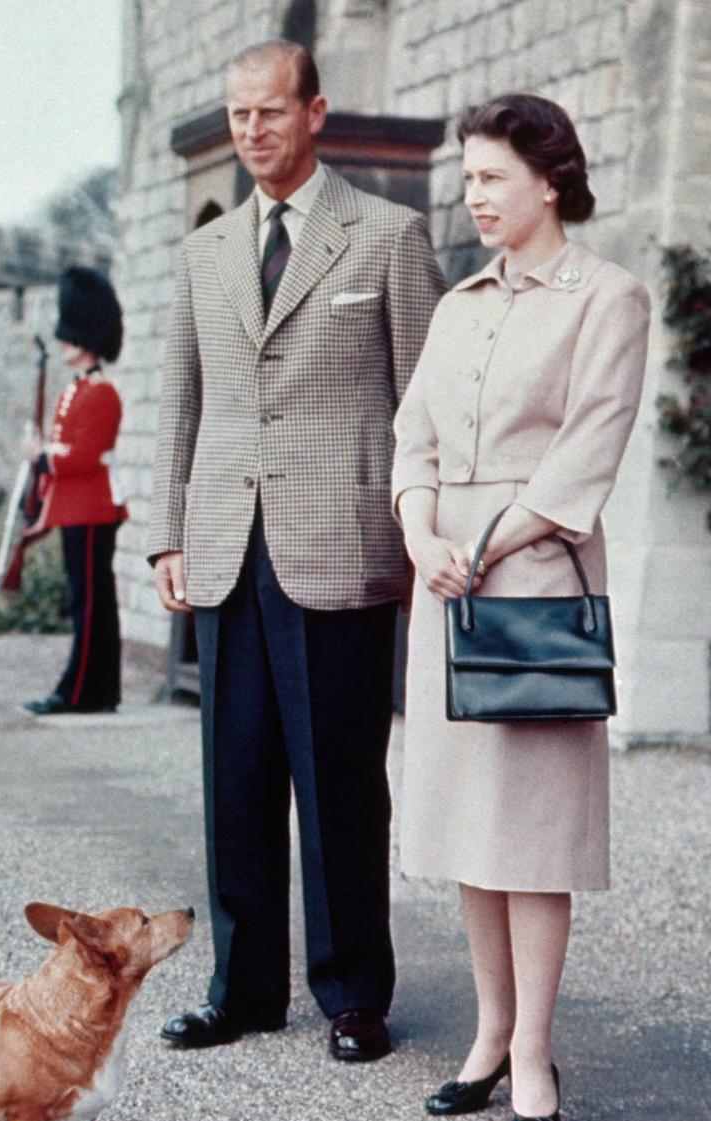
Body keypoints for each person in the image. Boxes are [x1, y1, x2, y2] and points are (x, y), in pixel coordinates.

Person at [147, 39, 446, 1058]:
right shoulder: (206, 251)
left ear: (315, 112)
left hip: (341, 549)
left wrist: (422, 534)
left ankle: (354, 991)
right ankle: (242, 990)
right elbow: (178, 404)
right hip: (227, 544)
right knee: (234, 778)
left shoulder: (389, 239)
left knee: (339, 781)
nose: (251, 132)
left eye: (270, 112)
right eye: (237, 116)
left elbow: (427, 405)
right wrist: (164, 538)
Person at [391, 93, 651, 1121]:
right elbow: (409, 439)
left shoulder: (610, 298)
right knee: (468, 829)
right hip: (444, 586)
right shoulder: (457, 306)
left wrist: (484, 543)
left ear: (551, 181)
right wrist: (418, 534)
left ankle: (536, 1053)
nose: (475, 197)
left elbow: (589, 450)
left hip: (532, 580)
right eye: (466, 180)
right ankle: (489, 1036)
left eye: (492, 177)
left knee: (534, 836)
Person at [24, 266, 126, 716]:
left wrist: (41, 456)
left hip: (90, 508)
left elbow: (83, 455)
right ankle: (99, 689)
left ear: (84, 340)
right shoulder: (79, 390)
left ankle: (80, 690)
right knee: (90, 601)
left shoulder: (102, 392)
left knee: (90, 604)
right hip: (75, 508)